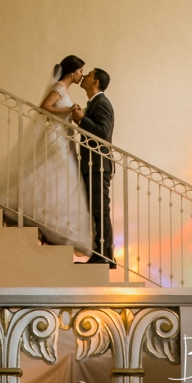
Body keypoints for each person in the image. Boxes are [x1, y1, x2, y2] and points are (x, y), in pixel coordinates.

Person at [17, 54, 92, 251]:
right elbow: (44, 108)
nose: (82, 75)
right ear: (72, 72)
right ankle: (45, 220)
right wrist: (68, 110)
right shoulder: (59, 87)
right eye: (80, 71)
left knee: (62, 180)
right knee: (57, 177)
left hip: (64, 139)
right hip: (56, 138)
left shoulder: (65, 89)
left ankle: (53, 226)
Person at [73, 68, 115, 266]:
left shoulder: (102, 103)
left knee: (100, 210)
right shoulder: (94, 104)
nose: (84, 76)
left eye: (89, 75)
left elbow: (103, 132)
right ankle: (105, 254)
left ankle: (104, 255)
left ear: (96, 81)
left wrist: (82, 119)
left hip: (98, 165)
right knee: (96, 210)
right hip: (91, 164)